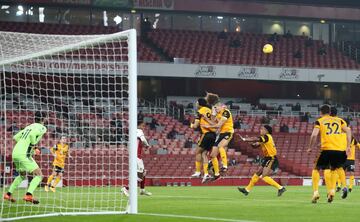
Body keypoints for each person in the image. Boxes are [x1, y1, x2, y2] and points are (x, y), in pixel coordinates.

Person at [307, 105, 351, 203]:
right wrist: (348, 146)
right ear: (330, 111)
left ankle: (315, 192)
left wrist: (310, 147)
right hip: (339, 150)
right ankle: (338, 188)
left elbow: (314, 135)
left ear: (321, 112)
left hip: (327, 149)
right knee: (338, 168)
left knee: (316, 169)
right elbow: (348, 131)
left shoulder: (320, 121)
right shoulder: (340, 120)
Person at [3, 112, 47, 204]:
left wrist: (26, 145)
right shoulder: (42, 128)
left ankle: (8, 194)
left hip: (15, 152)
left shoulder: (29, 126)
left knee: (22, 175)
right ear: (44, 119)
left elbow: (15, 137)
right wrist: (34, 147)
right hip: (23, 154)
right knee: (39, 175)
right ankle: (28, 195)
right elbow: (32, 136)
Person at [238, 125, 286, 197]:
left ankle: (281, 188)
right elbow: (255, 145)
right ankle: (247, 190)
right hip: (267, 158)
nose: (260, 130)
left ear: (267, 131)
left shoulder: (267, 136)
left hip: (271, 158)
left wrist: (245, 139)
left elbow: (255, 139)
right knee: (258, 173)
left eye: (262, 129)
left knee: (264, 176)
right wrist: (249, 142)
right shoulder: (264, 138)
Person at [202, 102, 234, 181]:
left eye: (216, 107)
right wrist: (212, 114)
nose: (216, 109)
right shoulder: (218, 114)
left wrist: (208, 126)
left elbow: (218, 125)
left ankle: (225, 166)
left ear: (221, 107)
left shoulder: (226, 112)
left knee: (221, 146)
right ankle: (217, 174)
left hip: (228, 132)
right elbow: (214, 122)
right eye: (215, 108)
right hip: (221, 134)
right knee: (212, 155)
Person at [122, 121, 152, 196]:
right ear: (139, 125)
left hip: (135, 156)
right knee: (139, 175)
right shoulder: (138, 131)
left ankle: (142, 190)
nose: (144, 127)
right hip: (136, 157)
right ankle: (126, 188)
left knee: (143, 173)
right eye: (143, 125)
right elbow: (143, 139)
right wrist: (147, 146)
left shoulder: (133, 133)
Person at [190, 98, 216, 183]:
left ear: (200, 104)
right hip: (213, 135)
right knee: (204, 154)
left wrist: (191, 124)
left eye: (197, 103)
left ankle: (198, 172)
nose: (196, 104)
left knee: (197, 152)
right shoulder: (209, 110)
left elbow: (195, 126)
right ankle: (206, 174)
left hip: (206, 134)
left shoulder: (200, 111)